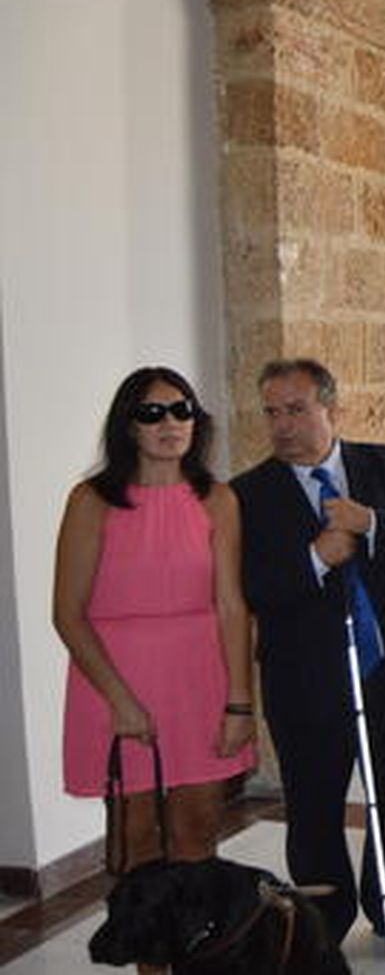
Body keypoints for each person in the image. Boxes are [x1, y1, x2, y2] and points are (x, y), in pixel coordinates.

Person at [231, 358, 385, 954]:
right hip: (304, 682)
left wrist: (372, 524)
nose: (282, 425)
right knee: (313, 811)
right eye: (271, 412)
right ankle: (322, 924)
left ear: (332, 409)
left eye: (296, 409)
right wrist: (316, 558)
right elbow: (248, 587)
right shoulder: (246, 495)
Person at [55, 369, 256, 884]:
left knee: (196, 834)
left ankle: (194, 959)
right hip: (114, 685)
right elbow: (68, 614)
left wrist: (239, 703)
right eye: (152, 413)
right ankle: (149, 960)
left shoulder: (218, 499)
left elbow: (232, 606)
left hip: (199, 682)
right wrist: (119, 699)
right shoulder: (91, 501)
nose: (170, 423)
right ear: (129, 426)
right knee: (134, 838)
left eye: (181, 409)